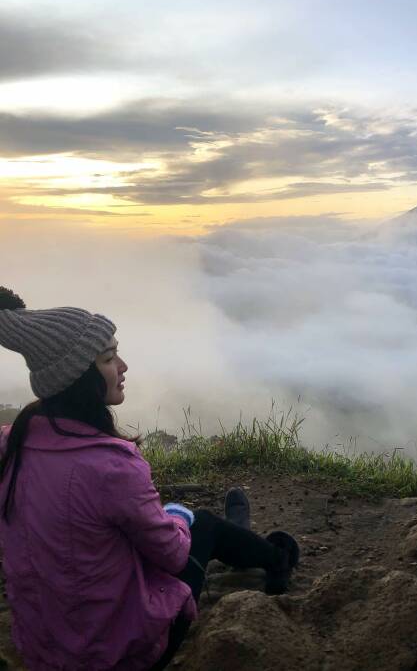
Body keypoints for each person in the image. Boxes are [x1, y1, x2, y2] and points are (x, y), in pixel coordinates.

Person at [0, 287, 299, 670]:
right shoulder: (111, 467)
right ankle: (278, 558)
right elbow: (173, 555)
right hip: (122, 653)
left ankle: (234, 537)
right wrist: (178, 514)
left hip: (44, 647)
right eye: (109, 358)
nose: (122, 366)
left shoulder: (15, 443)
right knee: (200, 523)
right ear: (77, 378)